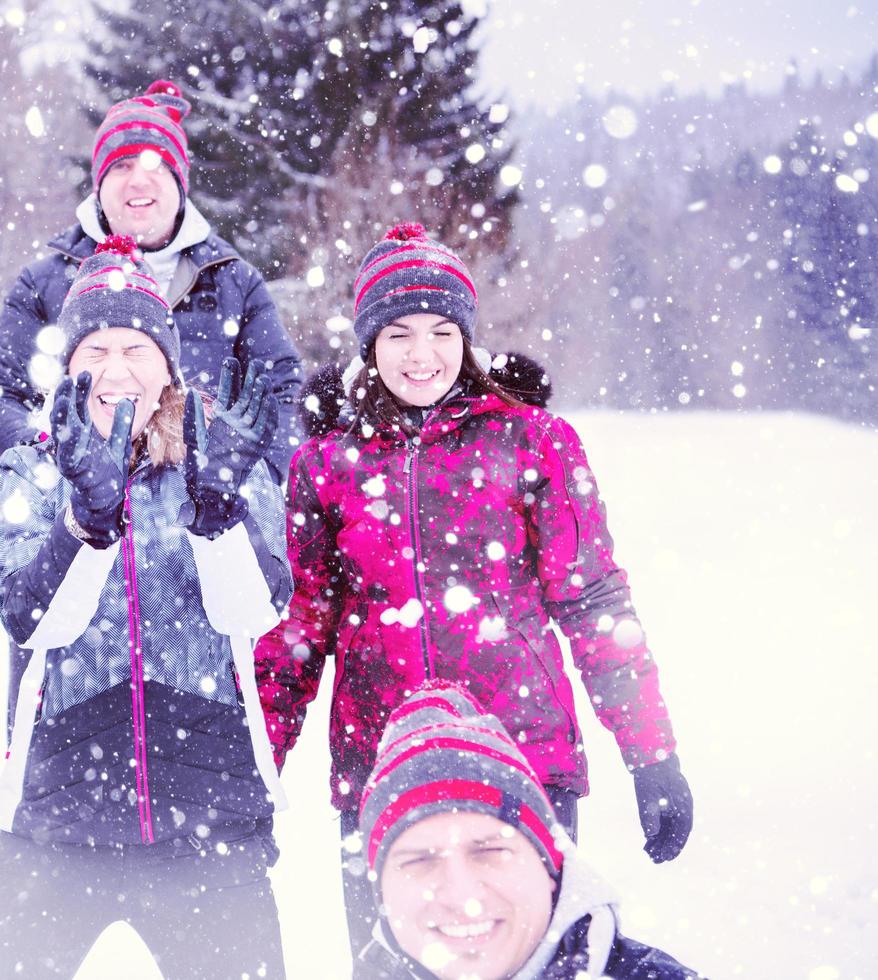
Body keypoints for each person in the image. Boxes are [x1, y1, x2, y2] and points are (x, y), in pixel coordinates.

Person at [254, 222, 694, 956]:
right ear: (369, 346)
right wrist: (256, 774)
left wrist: (653, 757)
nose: (420, 354)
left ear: (467, 340)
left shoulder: (534, 442)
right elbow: (298, 630)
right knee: (394, 969)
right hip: (382, 765)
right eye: (396, 333)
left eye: (439, 331)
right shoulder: (325, 464)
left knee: (526, 959)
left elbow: (594, 605)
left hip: (523, 758)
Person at [0, 237, 292, 979]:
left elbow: (256, 613)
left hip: (210, 814)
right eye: (94, 349)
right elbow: (33, 620)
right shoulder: (35, 465)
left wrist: (218, 516)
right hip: (55, 815)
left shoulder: (221, 456)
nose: (114, 370)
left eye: (135, 348)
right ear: (68, 364)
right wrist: (87, 522)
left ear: (168, 365)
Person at [0, 77, 302, 733]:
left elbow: (279, 394)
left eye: (153, 164)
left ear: (180, 179)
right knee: (64, 711)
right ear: (98, 183)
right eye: (119, 165)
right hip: (73, 527)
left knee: (200, 723)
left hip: (196, 533)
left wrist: (238, 475)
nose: (136, 181)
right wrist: (55, 458)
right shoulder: (48, 277)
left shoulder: (231, 278)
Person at [356, 684, 700, 978]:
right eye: (417, 861)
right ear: (381, 894)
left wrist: (650, 750)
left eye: (489, 852)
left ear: (552, 869)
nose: (462, 897)